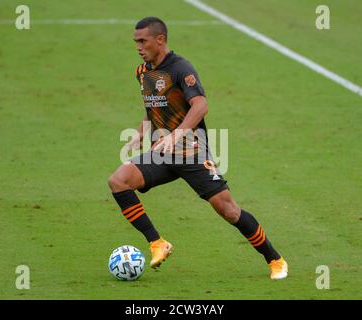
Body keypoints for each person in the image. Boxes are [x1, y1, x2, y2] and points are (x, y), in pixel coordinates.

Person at [108, 17, 288, 280]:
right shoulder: (144, 72)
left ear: (160, 40)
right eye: (136, 41)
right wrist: (138, 135)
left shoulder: (181, 68)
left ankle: (275, 260)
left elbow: (200, 105)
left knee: (229, 211)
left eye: (142, 41)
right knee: (118, 181)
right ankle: (157, 243)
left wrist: (177, 134)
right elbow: (153, 109)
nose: (138, 46)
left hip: (192, 153)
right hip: (163, 153)